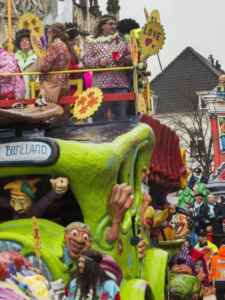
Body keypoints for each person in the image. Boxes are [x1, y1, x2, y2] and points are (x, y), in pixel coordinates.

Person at [83, 15, 131, 121]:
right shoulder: (92, 42)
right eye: (110, 24)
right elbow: (86, 60)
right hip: (100, 86)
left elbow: (132, 57)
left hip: (120, 84)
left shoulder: (122, 40)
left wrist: (122, 59)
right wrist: (99, 62)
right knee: (99, 118)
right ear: (102, 26)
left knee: (120, 118)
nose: (114, 26)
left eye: (115, 24)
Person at [28, 23, 72, 104]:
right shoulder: (64, 45)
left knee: (43, 109)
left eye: (48, 33)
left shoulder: (54, 46)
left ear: (52, 33)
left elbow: (45, 66)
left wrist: (38, 61)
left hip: (51, 83)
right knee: (60, 110)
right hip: (63, 81)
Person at [15, 29, 37, 98]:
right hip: (17, 92)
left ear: (31, 42)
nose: (24, 42)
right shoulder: (13, 57)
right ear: (19, 43)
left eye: (27, 40)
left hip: (33, 92)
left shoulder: (37, 57)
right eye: (21, 40)